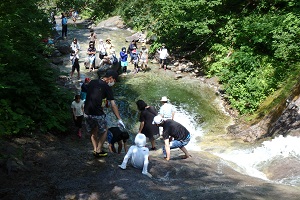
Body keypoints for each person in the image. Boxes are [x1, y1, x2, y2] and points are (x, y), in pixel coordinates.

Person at [84, 70, 125, 157]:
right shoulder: (107, 87)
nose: (114, 82)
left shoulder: (92, 82)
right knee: (105, 130)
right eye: (114, 80)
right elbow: (113, 105)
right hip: (98, 113)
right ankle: (99, 150)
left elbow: (92, 95)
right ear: (110, 78)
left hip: (87, 112)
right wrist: (119, 118)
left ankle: (95, 149)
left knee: (93, 130)